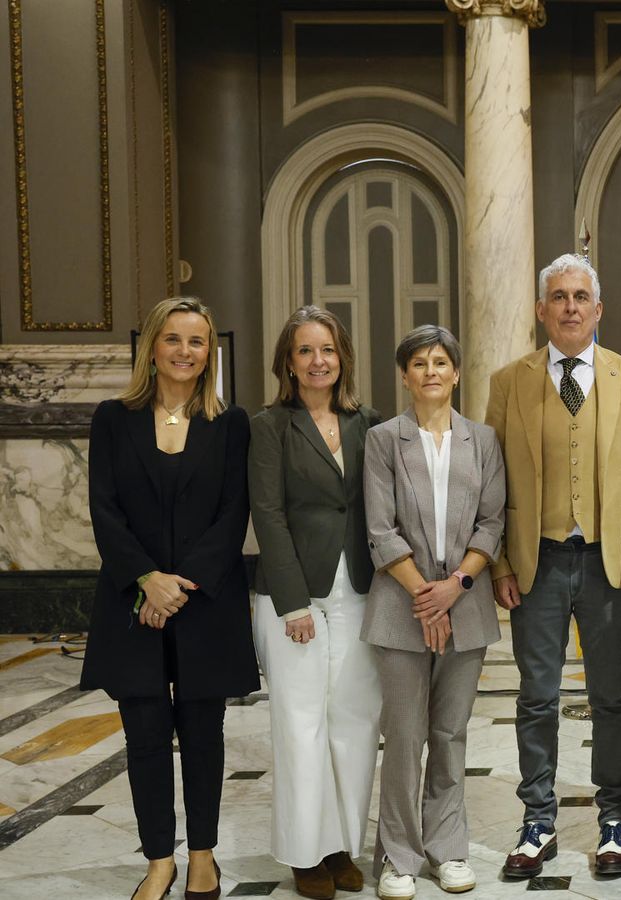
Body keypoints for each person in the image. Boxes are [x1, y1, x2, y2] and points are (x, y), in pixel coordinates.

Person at [485, 253, 621, 880]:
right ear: (541, 309)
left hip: (610, 564)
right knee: (536, 698)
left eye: (580, 296)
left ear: (598, 308)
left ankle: (614, 822)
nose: (569, 307)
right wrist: (501, 562)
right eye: (557, 296)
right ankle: (538, 822)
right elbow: (492, 481)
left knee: (611, 697)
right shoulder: (509, 381)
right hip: (538, 563)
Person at [83, 297, 255, 900]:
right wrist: (145, 580)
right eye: (174, 340)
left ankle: (203, 855)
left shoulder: (231, 423)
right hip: (133, 604)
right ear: (152, 347)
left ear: (211, 353)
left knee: (205, 735)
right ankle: (160, 859)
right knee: (146, 736)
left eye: (198, 342)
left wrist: (178, 586)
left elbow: (234, 515)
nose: (186, 352)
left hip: (205, 602)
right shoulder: (112, 418)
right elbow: (104, 510)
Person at [362, 326, 507, 899]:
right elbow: (379, 528)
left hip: (465, 606)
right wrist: (426, 594)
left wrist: (456, 586)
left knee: (449, 733)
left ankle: (447, 849)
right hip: (401, 607)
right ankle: (398, 857)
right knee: (403, 736)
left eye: (440, 362)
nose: (430, 371)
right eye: (418, 363)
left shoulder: (483, 440)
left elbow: (493, 522)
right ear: (404, 375)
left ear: (455, 373)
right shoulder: (382, 440)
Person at [248, 306, 384, 900]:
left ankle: (340, 847)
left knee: (355, 723)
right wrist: (291, 601)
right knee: (301, 725)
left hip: (359, 589)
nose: (317, 360)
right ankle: (306, 854)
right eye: (305, 350)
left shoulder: (369, 423)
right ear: (288, 362)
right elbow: (268, 515)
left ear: (342, 357)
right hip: (294, 596)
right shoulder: (270, 426)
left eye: (326, 349)